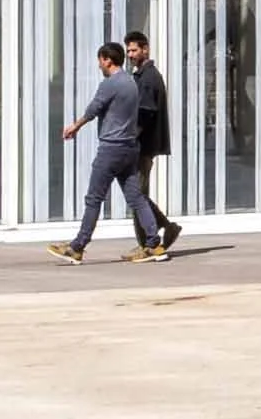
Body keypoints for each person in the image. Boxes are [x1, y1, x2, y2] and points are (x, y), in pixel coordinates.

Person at [50, 41, 167, 264]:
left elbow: (94, 108)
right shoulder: (132, 83)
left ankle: (77, 247)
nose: (99, 66)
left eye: (100, 61)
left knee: (94, 198)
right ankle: (153, 244)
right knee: (136, 197)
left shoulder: (111, 84)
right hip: (130, 148)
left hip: (111, 148)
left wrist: (76, 125)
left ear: (107, 60)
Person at [124, 29, 181, 254]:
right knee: (139, 195)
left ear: (145, 49)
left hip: (142, 147)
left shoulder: (148, 78)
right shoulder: (143, 76)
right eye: (128, 50)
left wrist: (130, 138)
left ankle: (150, 242)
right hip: (142, 146)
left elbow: (145, 113)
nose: (130, 54)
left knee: (137, 196)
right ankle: (160, 231)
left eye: (134, 50)